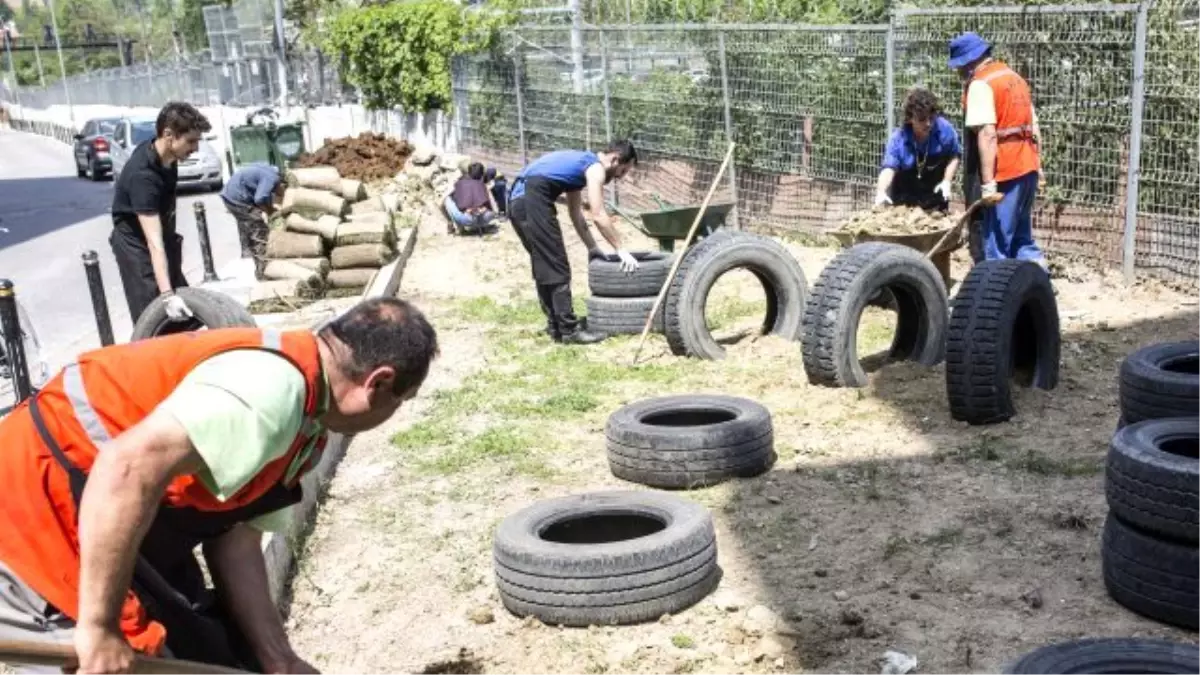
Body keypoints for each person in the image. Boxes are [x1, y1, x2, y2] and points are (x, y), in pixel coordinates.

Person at [0, 297, 439, 674]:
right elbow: (126, 468)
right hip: (34, 509)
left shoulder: (309, 426)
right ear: (377, 382)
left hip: (115, 522)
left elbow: (237, 542)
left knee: (218, 653)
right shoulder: (268, 392)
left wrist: (279, 659)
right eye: (402, 401)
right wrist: (99, 629)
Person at [508, 140, 640, 345]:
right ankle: (569, 330)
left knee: (544, 263)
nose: (620, 178)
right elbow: (598, 214)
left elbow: (575, 214)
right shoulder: (595, 168)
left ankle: (556, 326)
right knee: (556, 264)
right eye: (623, 171)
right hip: (531, 198)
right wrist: (620, 249)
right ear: (615, 159)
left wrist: (593, 248)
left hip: (518, 202)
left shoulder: (579, 166)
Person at [949, 32, 1047, 268]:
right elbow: (1034, 126)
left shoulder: (981, 85)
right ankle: (1039, 286)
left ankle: (997, 301)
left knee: (997, 243)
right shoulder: (1015, 78)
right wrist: (1039, 166)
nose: (959, 72)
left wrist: (988, 184)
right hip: (1028, 166)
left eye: (959, 66)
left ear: (969, 61)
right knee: (1022, 239)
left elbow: (987, 134)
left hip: (1006, 171)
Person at [110, 101, 211, 326]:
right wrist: (166, 297)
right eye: (191, 141)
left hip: (162, 241)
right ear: (168, 135)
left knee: (187, 317)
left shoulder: (168, 157)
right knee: (154, 318)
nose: (195, 148)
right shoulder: (143, 177)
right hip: (137, 247)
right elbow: (153, 243)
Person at [874, 87, 962, 212]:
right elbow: (888, 168)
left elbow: (954, 155)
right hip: (905, 204)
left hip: (935, 199)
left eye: (931, 118)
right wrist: (881, 191)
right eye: (921, 119)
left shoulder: (945, 130)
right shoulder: (899, 139)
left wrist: (947, 181)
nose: (928, 124)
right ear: (910, 119)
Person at [221, 163, 287, 279]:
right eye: (281, 193)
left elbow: (263, 195)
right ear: (280, 184)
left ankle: (261, 268)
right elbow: (259, 198)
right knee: (260, 232)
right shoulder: (272, 178)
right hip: (237, 199)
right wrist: (270, 211)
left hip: (232, 194)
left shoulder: (268, 170)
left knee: (253, 231)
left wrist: (270, 208)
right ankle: (264, 272)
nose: (279, 195)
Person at [444, 162, 498, 235]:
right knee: (486, 205)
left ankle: (458, 227)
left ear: (468, 172)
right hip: (485, 219)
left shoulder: (460, 183)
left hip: (467, 220)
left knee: (447, 199)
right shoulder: (483, 185)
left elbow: (457, 201)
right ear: (482, 174)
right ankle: (483, 227)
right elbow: (491, 206)